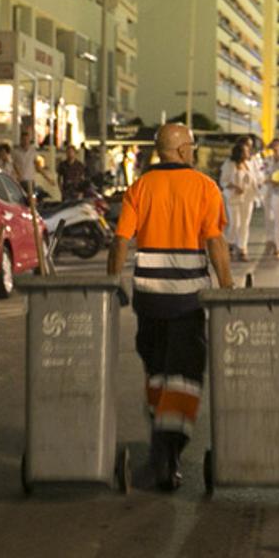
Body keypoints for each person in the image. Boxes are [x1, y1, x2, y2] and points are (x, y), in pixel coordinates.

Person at [108, 124, 233, 491]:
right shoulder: (204, 187)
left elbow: (120, 243)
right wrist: (228, 289)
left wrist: (112, 284)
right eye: (191, 147)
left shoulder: (140, 187)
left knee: (157, 371)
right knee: (185, 377)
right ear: (179, 150)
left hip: (148, 300)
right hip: (187, 300)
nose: (193, 152)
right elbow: (215, 242)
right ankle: (167, 453)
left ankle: (161, 448)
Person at [219, 138, 259, 261]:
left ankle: (242, 248)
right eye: (246, 151)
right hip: (233, 197)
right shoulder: (229, 164)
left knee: (245, 224)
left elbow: (255, 179)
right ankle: (229, 244)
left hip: (248, 197)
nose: (248, 153)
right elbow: (223, 181)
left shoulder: (250, 163)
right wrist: (235, 187)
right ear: (240, 152)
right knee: (235, 223)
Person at [260, 137, 279, 257]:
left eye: (278, 146)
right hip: (269, 190)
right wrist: (267, 178)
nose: (276, 148)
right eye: (274, 145)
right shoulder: (267, 160)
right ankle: (269, 239)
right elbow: (262, 172)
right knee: (268, 216)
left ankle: (278, 243)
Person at [13, 126, 53, 198]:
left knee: (31, 199)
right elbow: (13, 165)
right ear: (20, 140)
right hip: (19, 181)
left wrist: (48, 178)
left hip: (30, 181)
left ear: (29, 140)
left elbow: (38, 167)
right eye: (23, 139)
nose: (25, 141)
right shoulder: (16, 152)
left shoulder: (33, 151)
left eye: (27, 139)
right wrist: (18, 174)